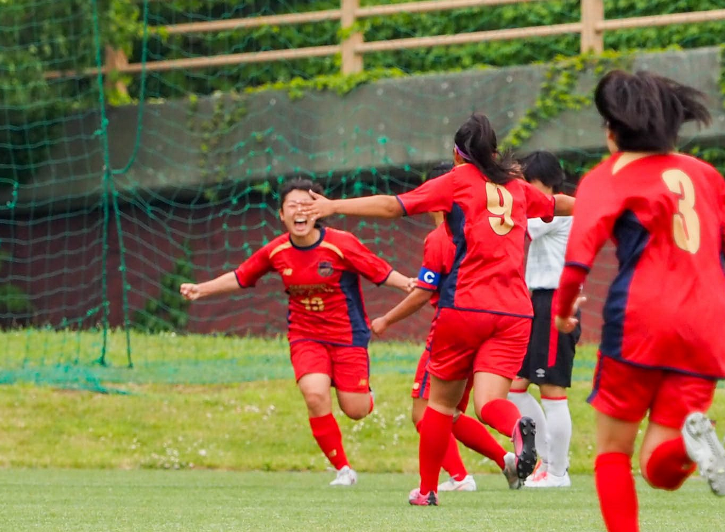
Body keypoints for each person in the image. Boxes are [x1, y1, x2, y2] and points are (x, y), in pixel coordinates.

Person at [553, 70, 725, 532]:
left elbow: (578, 260)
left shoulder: (608, 175)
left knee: (613, 451)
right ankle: (692, 447)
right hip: (706, 326)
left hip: (640, 322)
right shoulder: (703, 173)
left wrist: (561, 314)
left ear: (611, 129)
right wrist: (721, 309)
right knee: (660, 470)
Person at [304, 114, 574, 502]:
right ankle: (517, 428)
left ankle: (428, 491)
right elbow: (558, 203)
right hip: (516, 312)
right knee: (490, 403)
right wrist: (607, 207)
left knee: (441, 405)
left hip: (466, 308)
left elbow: (392, 206)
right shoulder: (517, 187)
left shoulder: (455, 181)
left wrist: (333, 206)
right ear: (495, 153)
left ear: (457, 154)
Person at [181, 177, 413, 486]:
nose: (299, 211)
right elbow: (242, 276)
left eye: (306, 204)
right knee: (315, 395)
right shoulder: (276, 251)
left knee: (356, 410)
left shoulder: (341, 243)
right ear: (281, 214)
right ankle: (344, 469)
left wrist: (411, 284)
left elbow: (379, 270)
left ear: (317, 210)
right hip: (306, 336)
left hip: (347, 336)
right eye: (292, 206)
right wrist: (201, 290)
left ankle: (361, 392)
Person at [369, 184, 521, 496]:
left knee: (427, 412)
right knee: (454, 412)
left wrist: (386, 319)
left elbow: (423, 293)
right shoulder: (494, 230)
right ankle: (504, 457)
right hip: (501, 326)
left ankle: (457, 477)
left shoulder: (441, 238)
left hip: (451, 332)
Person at [510, 151, 578, 489]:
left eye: (528, 184)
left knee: (552, 389)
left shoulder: (556, 210)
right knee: (514, 387)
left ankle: (556, 471)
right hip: (533, 302)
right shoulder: (542, 208)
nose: (522, 191)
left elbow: (521, 225)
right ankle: (546, 458)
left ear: (548, 184)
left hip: (554, 303)